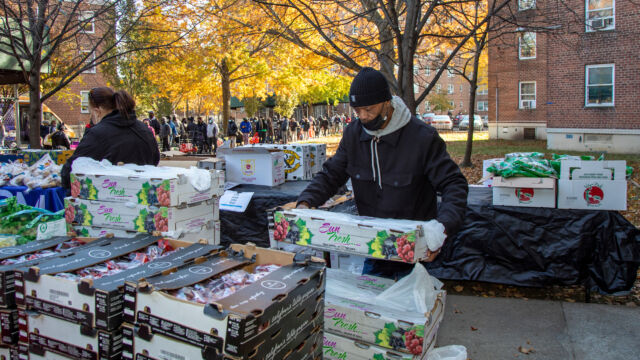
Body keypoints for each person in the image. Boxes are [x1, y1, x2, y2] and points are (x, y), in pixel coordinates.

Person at [296, 67, 468, 265]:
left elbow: (454, 185)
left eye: (369, 109)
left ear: (387, 103)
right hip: (374, 244)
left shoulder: (422, 138)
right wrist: (306, 202)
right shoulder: (353, 134)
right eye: (357, 110)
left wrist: (441, 228)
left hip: (416, 247)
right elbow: (331, 174)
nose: (363, 116)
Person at [61, 87, 159, 189]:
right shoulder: (144, 129)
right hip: (144, 194)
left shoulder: (98, 134)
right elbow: (155, 159)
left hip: (109, 197)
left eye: (90, 113)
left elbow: (69, 171)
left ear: (96, 111)